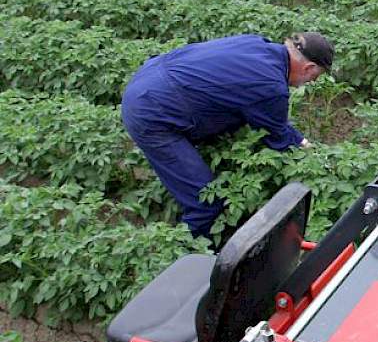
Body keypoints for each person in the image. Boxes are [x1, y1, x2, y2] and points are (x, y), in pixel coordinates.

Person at [121, 32, 334, 239]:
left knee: (232, 122)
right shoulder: (271, 87)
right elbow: (278, 136)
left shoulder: (256, 43)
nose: (312, 82)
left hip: (148, 77)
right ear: (308, 67)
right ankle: (183, 252)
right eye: (316, 76)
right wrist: (309, 152)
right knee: (205, 200)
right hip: (151, 111)